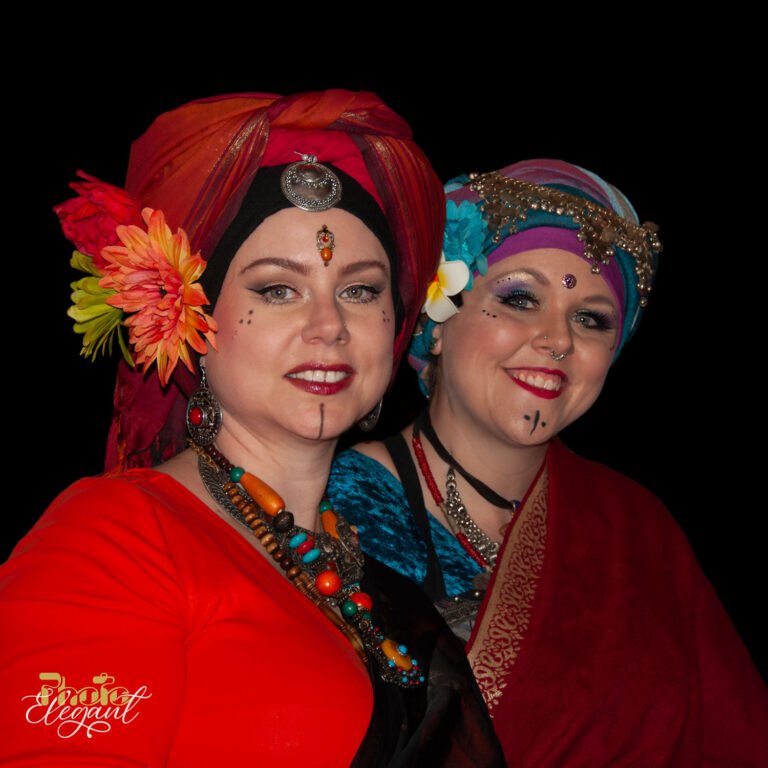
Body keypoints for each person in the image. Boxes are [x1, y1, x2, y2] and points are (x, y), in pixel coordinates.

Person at [0, 91, 504, 766]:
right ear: (194, 322)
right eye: (277, 289)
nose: (330, 326)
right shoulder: (114, 539)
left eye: (360, 290)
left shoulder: (369, 576)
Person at [329, 159, 768, 764]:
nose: (558, 340)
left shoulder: (636, 529)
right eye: (520, 299)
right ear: (436, 323)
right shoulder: (328, 508)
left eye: (590, 319)